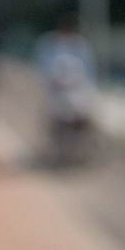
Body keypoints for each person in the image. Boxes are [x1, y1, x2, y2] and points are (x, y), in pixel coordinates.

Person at [35, 14, 97, 165]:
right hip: (56, 95)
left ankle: (79, 151)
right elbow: (45, 69)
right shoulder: (49, 44)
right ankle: (59, 151)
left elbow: (88, 70)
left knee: (82, 123)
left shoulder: (81, 46)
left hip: (78, 94)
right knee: (58, 125)